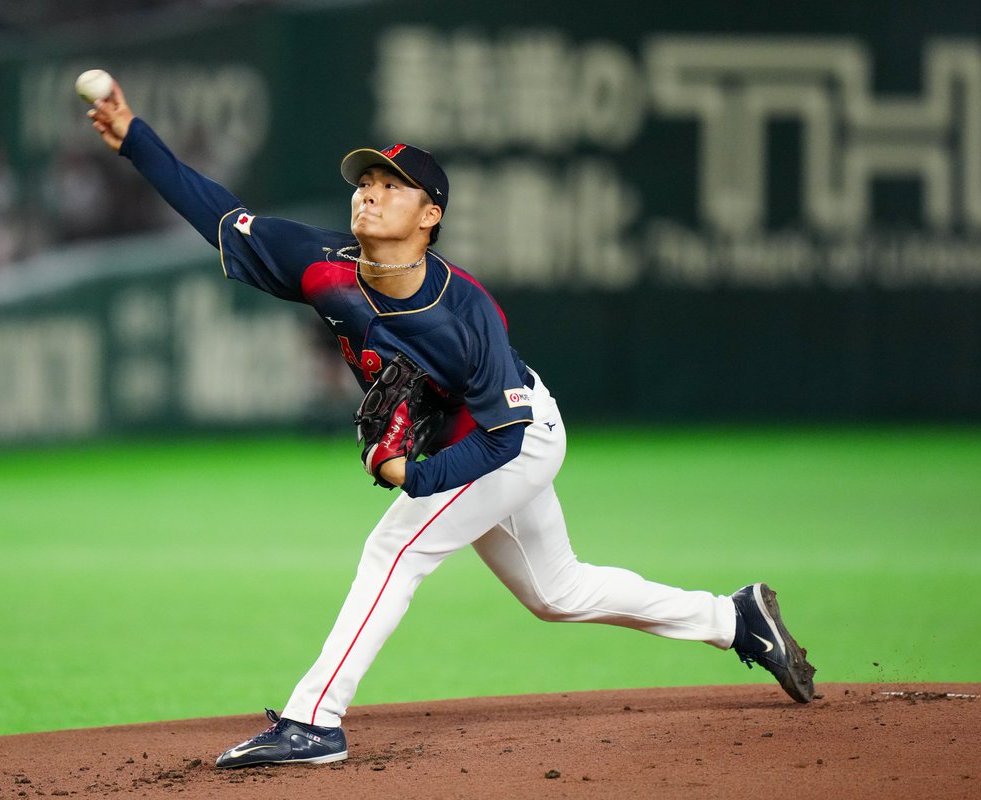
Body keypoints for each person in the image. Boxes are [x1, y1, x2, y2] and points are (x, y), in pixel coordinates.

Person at [86, 80, 816, 769]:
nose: (368, 194)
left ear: (430, 215)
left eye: (390, 186)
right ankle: (733, 618)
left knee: (395, 550)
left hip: (512, 440)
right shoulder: (320, 264)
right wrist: (133, 138)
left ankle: (315, 719)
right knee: (556, 593)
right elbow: (216, 210)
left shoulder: (465, 315)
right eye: (363, 184)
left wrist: (421, 477)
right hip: (473, 441)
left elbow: (506, 438)